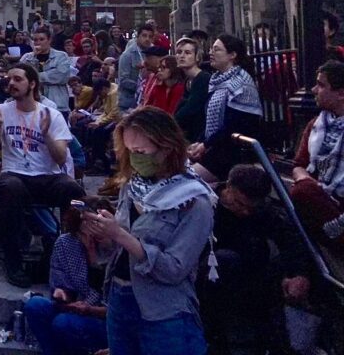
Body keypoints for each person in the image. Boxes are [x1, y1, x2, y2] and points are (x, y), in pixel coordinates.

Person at [83, 106, 215, 355]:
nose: (135, 158)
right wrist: (104, 234)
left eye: (141, 152)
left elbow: (175, 268)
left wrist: (121, 235)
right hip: (120, 298)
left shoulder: (194, 201)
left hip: (162, 310)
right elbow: (119, 247)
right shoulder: (132, 187)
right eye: (130, 152)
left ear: (166, 148)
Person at [0, 63, 84, 286]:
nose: (11, 83)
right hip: (14, 174)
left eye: (18, 79)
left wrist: (47, 134)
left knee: (75, 192)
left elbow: (60, 159)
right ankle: (13, 260)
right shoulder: (2, 110)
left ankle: (65, 252)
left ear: (32, 83)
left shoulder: (52, 114)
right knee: (9, 188)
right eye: (9, 79)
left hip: (46, 176)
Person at [200, 164, 312, 355]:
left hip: (254, 282)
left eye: (251, 207)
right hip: (212, 283)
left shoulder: (261, 211)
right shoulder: (204, 204)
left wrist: (298, 275)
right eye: (240, 204)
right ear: (228, 188)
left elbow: (292, 241)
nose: (245, 212)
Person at [24, 196, 111, 355]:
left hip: (104, 318)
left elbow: (116, 308)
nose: (89, 240)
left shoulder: (114, 251)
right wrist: (62, 293)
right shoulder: (66, 244)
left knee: (63, 323)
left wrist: (90, 309)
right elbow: (60, 283)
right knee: (35, 305)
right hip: (75, 307)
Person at [188, 34, 263, 183]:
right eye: (211, 49)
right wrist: (201, 142)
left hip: (232, 154)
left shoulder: (241, 83)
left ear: (232, 55)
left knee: (186, 182)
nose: (211, 53)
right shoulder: (218, 80)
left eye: (217, 50)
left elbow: (235, 124)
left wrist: (205, 145)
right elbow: (212, 120)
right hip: (216, 149)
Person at [290, 59, 344, 250]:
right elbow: (298, 164)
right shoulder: (315, 124)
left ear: (340, 93)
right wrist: (305, 180)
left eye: (321, 85)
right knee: (301, 192)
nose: (313, 90)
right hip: (321, 197)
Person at [21, 27, 73, 111]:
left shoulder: (61, 56)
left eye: (41, 39)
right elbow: (21, 74)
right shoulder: (27, 57)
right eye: (35, 40)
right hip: (33, 105)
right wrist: (34, 57)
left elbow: (61, 76)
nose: (38, 43)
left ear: (49, 40)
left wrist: (34, 77)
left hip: (58, 104)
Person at [173, 37, 210, 143]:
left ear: (197, 57)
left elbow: (191, 108)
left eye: (187, 52)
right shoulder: (188, 80)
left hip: (201, 135)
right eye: (179, 52)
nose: (182, 56)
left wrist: (171, 123)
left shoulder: (203, 78)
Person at [117, 24, 155, 112]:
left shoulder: (154, 53)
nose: (147, 39)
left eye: (150, 36)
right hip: (128, 103)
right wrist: (143, 87)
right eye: (144, 36)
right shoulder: (127, 55)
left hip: (146, 102)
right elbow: (123, 81)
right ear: (137, 37)